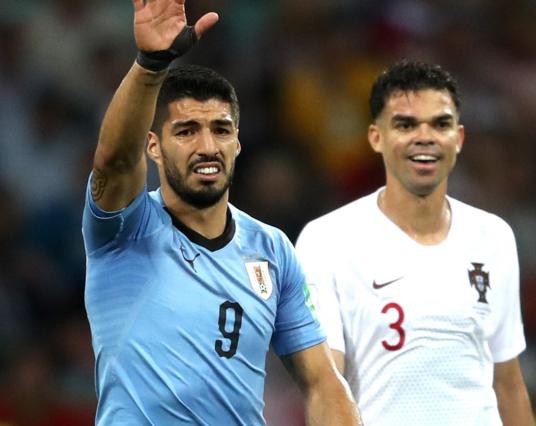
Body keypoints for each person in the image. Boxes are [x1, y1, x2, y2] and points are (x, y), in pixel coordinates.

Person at [81, 1, 361, 424]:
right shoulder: (125, 229)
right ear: (154, 146)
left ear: (238, 143)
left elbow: (322, 382)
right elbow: (115, 162)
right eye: (187, 131)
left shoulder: (272, 249)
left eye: (221, 129)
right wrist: (150, 65)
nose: (207, 146)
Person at [295, 60, 535, 426]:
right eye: (406, 124)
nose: (425, 137)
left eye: (440, 124)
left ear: (459, 137)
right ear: (376, 137)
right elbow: (326, 385)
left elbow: (508, 383)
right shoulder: (328, 239)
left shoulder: (494, 236)